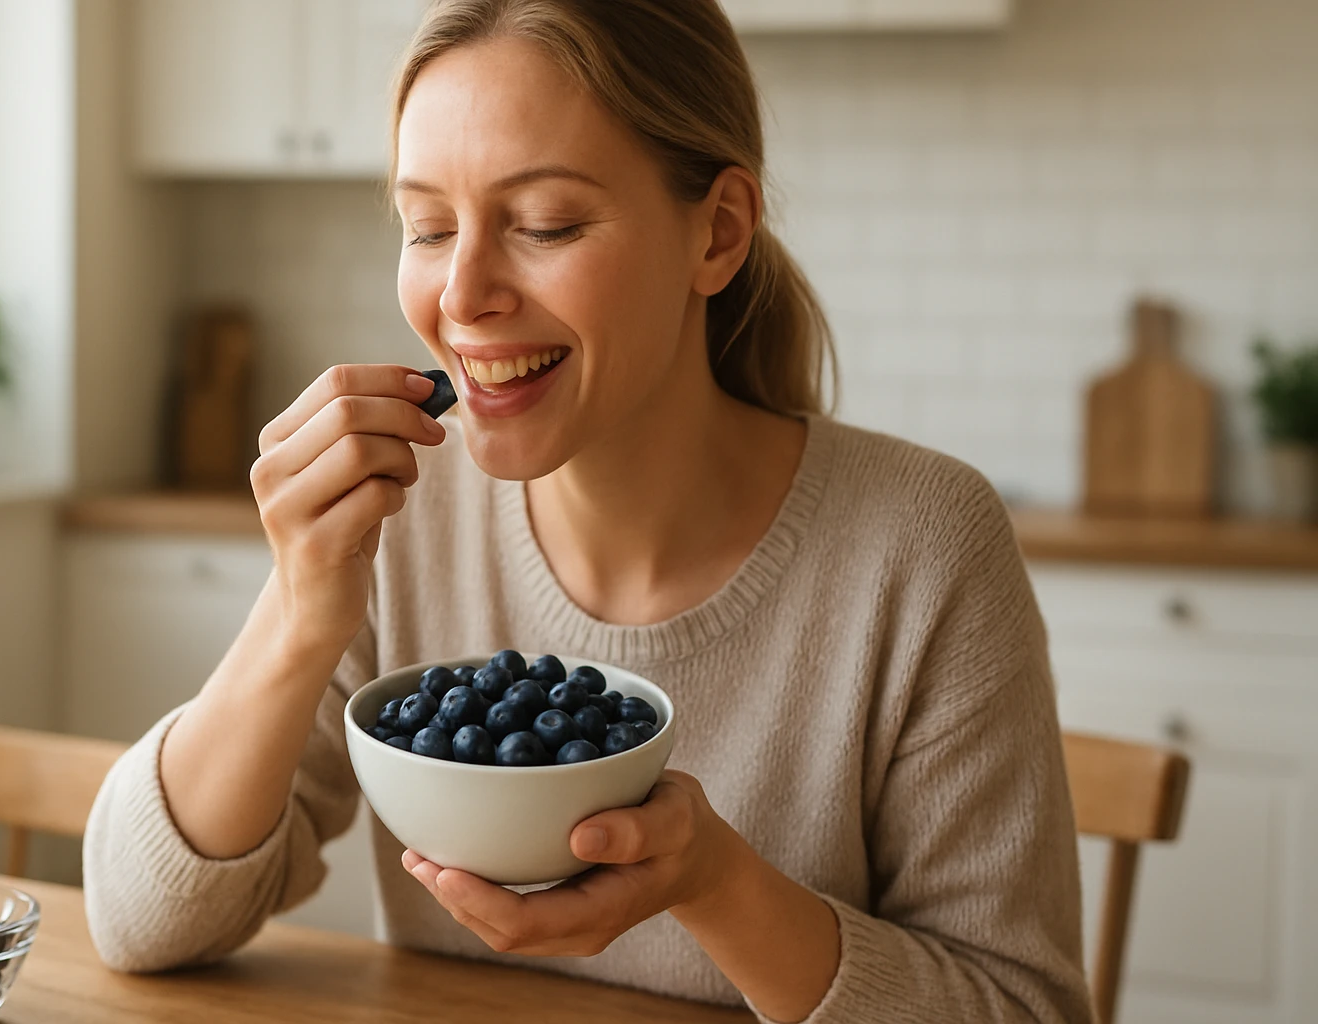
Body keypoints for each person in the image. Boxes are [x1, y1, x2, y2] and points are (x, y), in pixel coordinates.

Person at [83, 2, 1092, 1021]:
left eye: (545, 224)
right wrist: (300, 610)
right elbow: (137, 921)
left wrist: (715, 884)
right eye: (428, 226)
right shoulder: (405, 509)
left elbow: (1022, 1006)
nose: (462, 294)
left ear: (719, 232)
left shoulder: (924, 545)